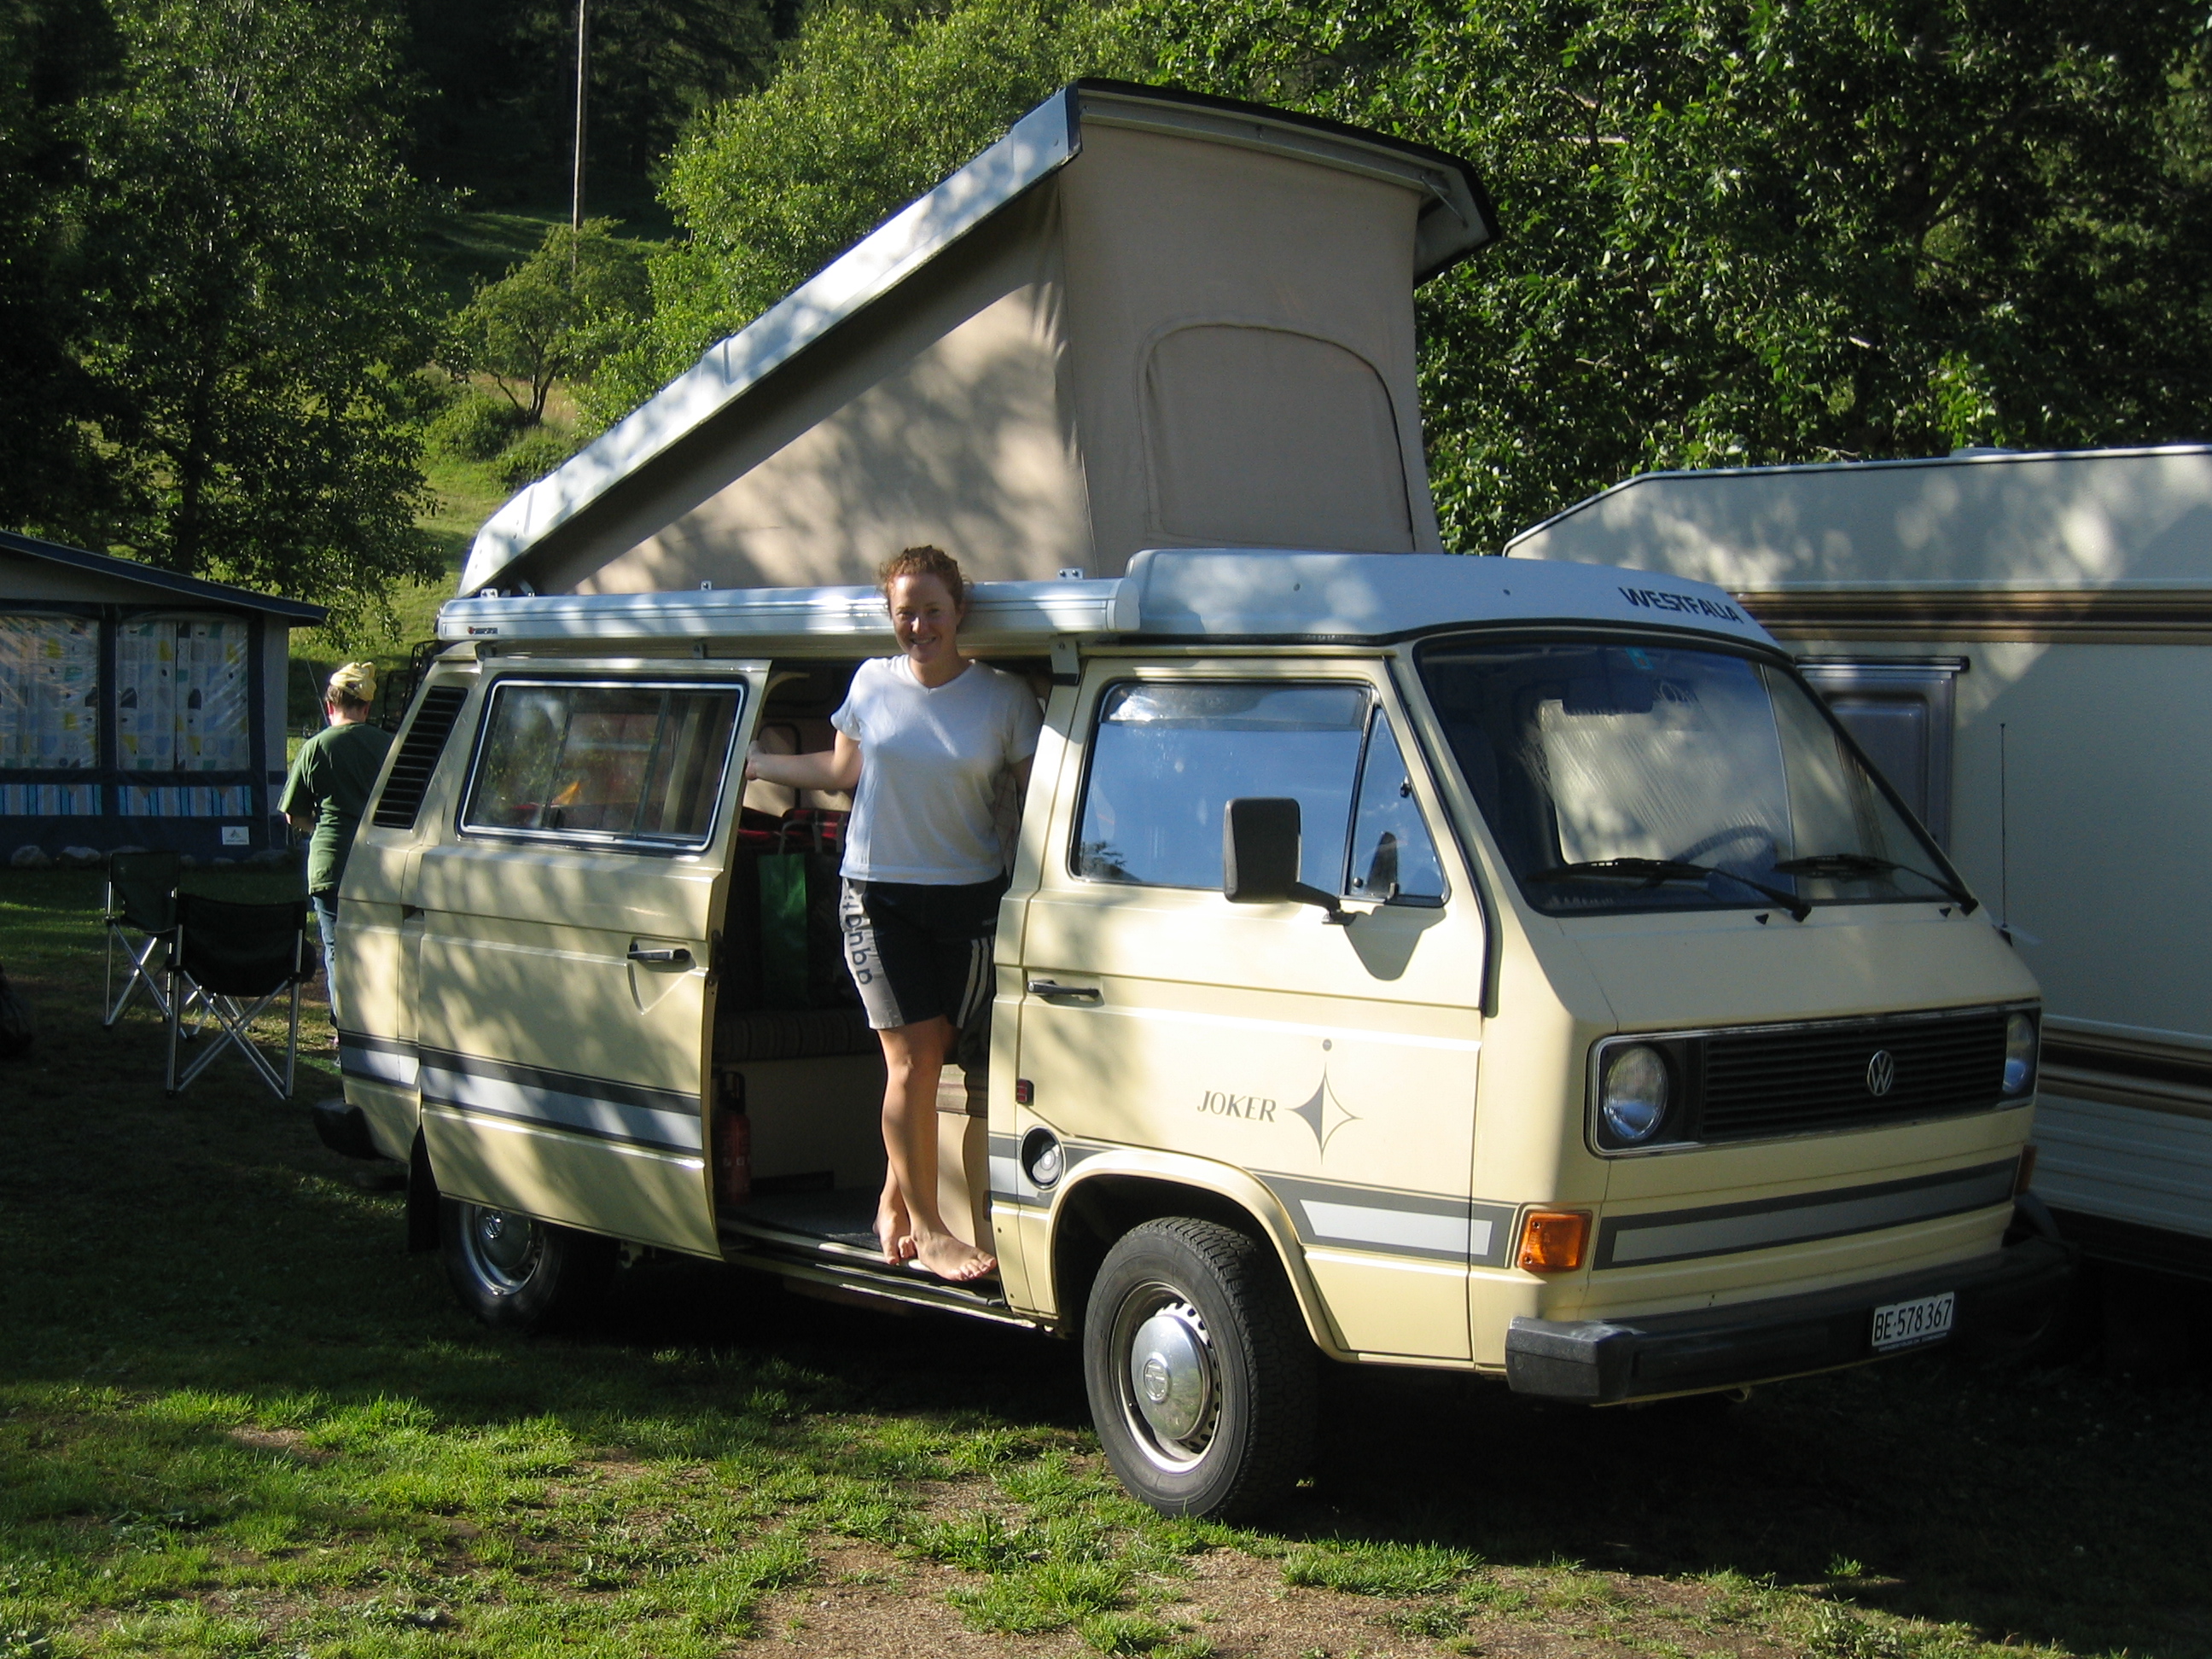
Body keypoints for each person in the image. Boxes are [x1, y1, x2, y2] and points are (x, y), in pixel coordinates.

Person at [745, 547, 1040, 1283]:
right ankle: (932, 1228)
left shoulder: (1005, 699)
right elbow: (842, 772)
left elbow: (1039, 802)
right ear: (891, 616)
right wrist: (754, 762)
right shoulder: (872, 683)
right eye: (905, 612)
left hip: (970, 894)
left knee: (933, 1052)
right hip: (876, 894)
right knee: (909, 1062)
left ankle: (890, 1201)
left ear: (959, 611)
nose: (919, 625)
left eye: (932, 610)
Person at [280, 662, 394, 1030]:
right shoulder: (390, 746)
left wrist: (316, 825)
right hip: (381, 862)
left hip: (331, 863)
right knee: (380, 948)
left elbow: (292, 815)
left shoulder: (316, 748)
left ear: (330, 706)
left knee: (337, 950)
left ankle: (345, 1029)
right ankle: (380, 1025)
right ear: (366, 708)